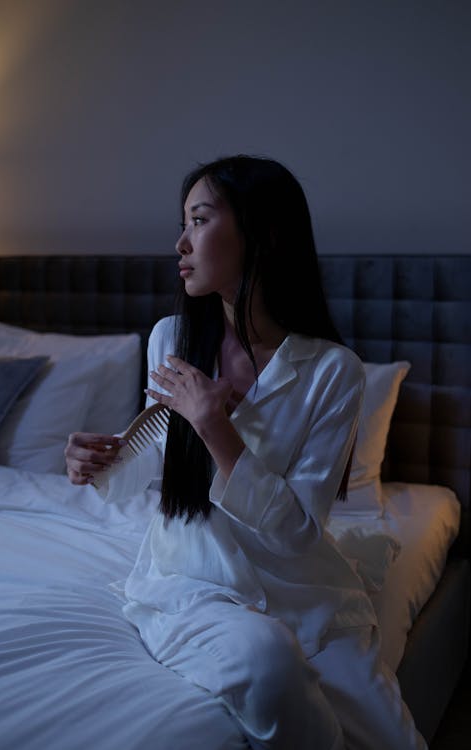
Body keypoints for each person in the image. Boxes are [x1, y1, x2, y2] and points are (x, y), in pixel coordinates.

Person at [65, 155, 426, 750]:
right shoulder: (171, 339)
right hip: (194, 578)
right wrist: (92, 464)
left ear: (264, 233)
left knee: (393, 736)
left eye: (199, 221)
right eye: (182, 224)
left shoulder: (333, 372)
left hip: (300, 586)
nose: (180, 243)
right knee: (269, 666)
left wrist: (215, 426)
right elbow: (157, 477)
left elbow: (298, 533)